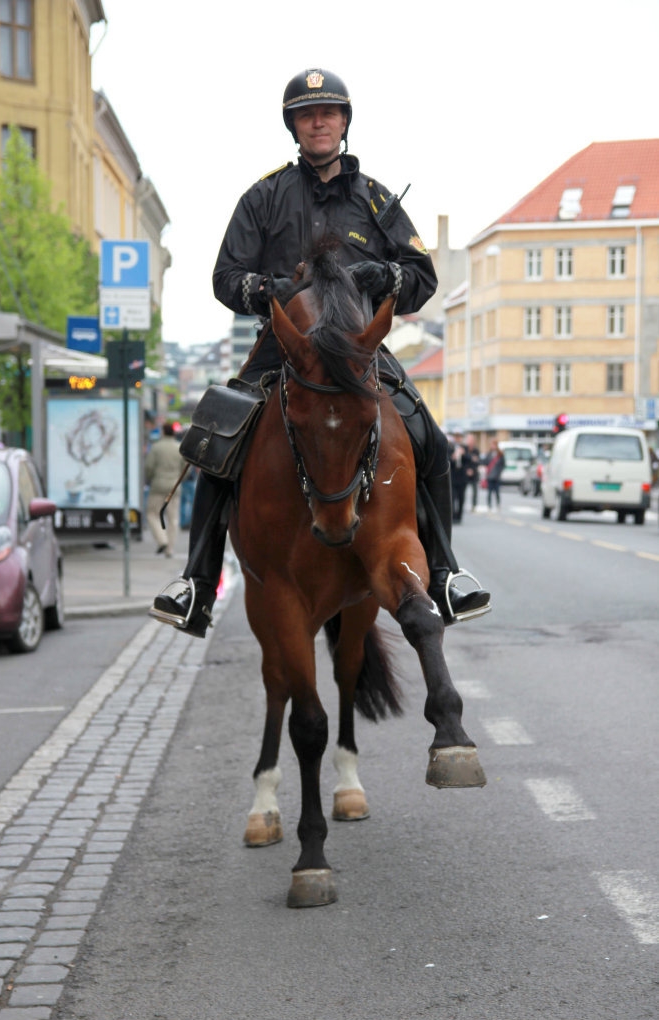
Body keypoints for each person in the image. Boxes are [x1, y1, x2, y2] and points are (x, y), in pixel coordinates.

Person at [151, 68, 491, 637]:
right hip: (284, 346)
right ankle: (196, 584)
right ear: (294, 126)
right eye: (307, 115)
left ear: (343, 122)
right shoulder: (264, 197)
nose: (318, 123)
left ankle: (445, 574)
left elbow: (422, 277)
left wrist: (384, 275)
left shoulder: (376, 200)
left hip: (358, 351)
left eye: (327, 113)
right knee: (216, 437)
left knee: (429, 436)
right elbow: (225, 277)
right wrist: (270, 289)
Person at [144, 420, 186, 559]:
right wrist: (179, 479)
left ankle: (162, 540)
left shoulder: (156, 448)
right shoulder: (179, 447)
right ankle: (170, 549)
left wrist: (150, 478)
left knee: (152, 514)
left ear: (163, 432)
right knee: (173, 519)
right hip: (174, 486)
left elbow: (149, 467)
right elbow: (185, 468)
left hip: (158, 485)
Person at [448, 431, 468, 524]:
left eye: (459, 437)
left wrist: (464, 454)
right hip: (453, 476)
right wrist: (453, 457)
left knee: (461, 498)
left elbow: (470, 459)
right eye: (456, 437)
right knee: (452, 498)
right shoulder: (450, 447)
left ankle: (459, 516)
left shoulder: (465, 447)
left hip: (462, 477)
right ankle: (453, 516)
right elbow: (446, 460)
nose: (458, 438)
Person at [485, 439, 505, 510]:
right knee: (489, 492)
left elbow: (503, 465)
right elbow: (485, 463)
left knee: (497, 492)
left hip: (497, 476)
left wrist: (499, 472)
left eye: (494, 444)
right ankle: (489, 505)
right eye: (491, 445)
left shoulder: (500, 454)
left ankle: (498, 504)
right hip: (490, 476)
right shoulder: (489, 454)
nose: (492, 446)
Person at [464, 433, 482, 511]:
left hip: (474, 473)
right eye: (469, 440)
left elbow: (478, 461)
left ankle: (474, 505)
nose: (470, 441)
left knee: (475, 491)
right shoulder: (464, 449)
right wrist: (467, 469)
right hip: (465, 473)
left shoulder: (476, 450)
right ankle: (462, 504)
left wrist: (472, 469)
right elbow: (464, 461)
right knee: (463, 490)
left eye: (471, 440)